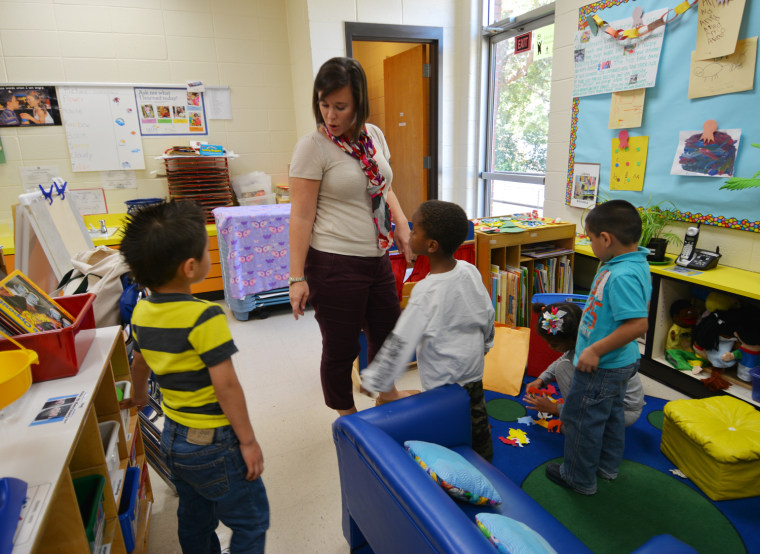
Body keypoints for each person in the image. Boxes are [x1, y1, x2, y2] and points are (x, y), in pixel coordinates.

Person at [119, 200, 269, 553]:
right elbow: (226, 384)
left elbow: (139, 365)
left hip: (173, 438)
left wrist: (140, 398)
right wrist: (247, 441)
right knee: (251, 520)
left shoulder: (140, 311)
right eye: (206, 250)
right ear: (190, 267)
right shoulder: (205, 317)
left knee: (195, 519)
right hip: (214, 441)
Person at [288, 56, 414, 416]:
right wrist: (296, 278)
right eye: (324, 105)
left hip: (376, 256)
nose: (330, 115)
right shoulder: (312, 147)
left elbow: (383, 186)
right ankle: (347, 418)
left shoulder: (373, 135)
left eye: (340, 106)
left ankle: (385, 394)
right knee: (342, 347)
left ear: (359, 102)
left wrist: (402, 223)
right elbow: (300, 215)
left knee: (387, 334)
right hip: (333, 262)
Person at [361, 200, 496, 460]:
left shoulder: (426, 291)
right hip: (473, 370)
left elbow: (401, 340)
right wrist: (486, 345)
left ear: (431, 245)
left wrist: (376, 379)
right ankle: (485, 462)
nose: (409, 233)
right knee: (476, 421)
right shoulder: (469, 271)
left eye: (414, 231)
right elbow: (486, 313)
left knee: (445, 428)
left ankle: (451, 474)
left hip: (442, 379)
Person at [545, 199, 651, 495]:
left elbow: (637, 325)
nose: (589, 244)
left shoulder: (622, 275)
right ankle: (606, 467)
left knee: (582, 421)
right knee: (612, 415)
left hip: (604, 365)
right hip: (619, 362)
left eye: (590, 238)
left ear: (606, 239)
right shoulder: (628, 261)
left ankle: (578, 478)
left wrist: (593, 351)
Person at [523, 301, 645, 428]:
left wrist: (555, 408)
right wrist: (541, 379)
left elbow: (594, 402)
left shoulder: (593, 356)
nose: (550, 347)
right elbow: (566, 357)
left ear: (572, 339)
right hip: (614, 403)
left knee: (563, 370)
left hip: (623, 413)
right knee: (564, 366)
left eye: (554, 345)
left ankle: (576, 417)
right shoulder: (585, 336)